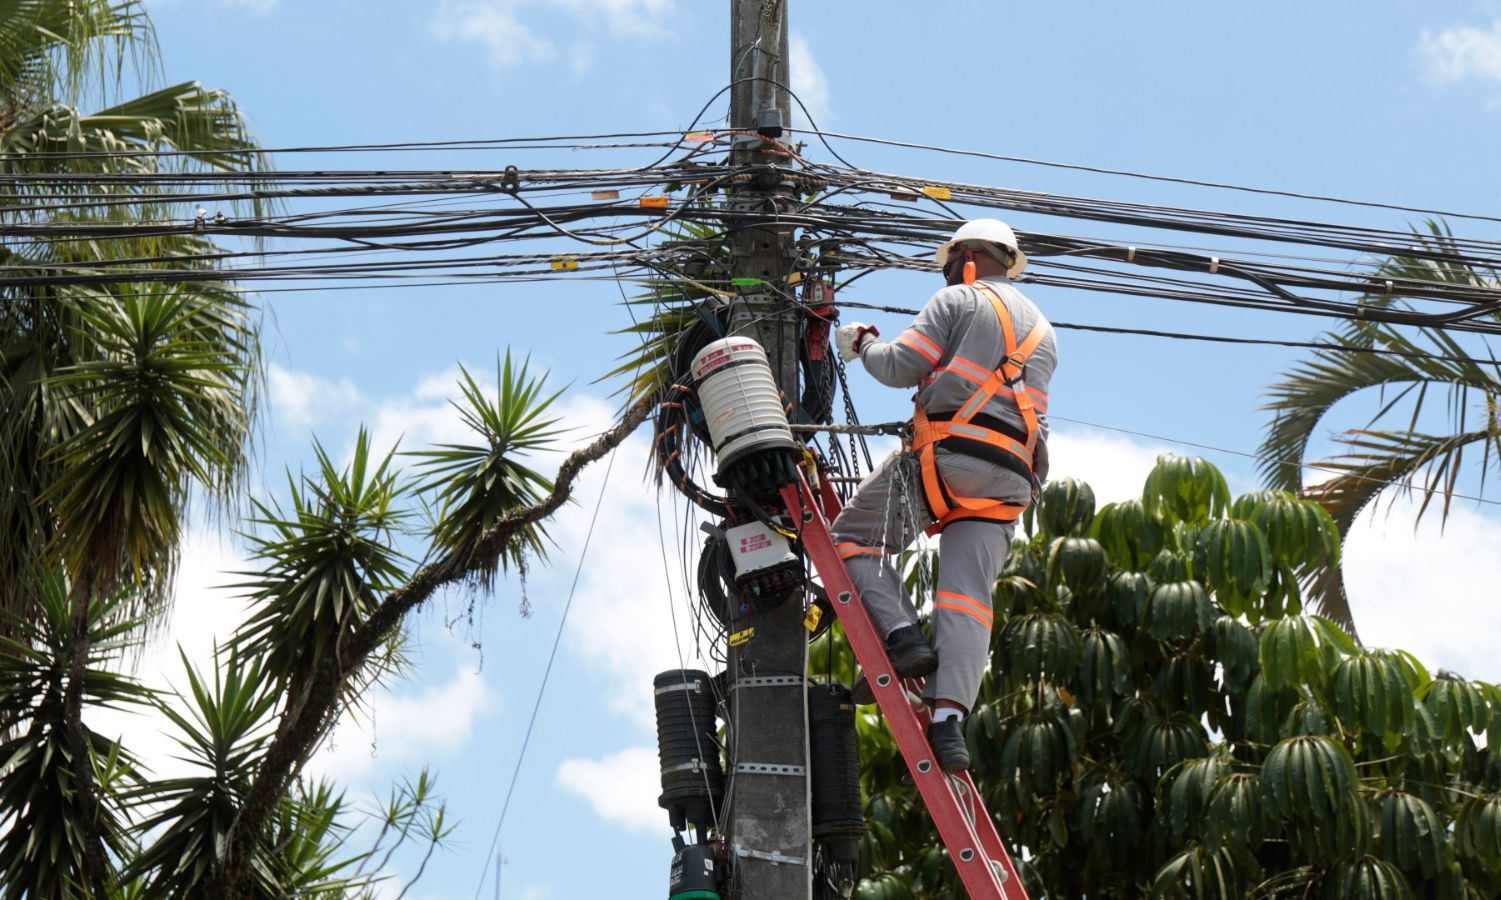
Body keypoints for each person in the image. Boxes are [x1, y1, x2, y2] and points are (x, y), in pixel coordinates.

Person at [831, 218, 1057, 772]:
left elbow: (898, 366)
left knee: (850, 540)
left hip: (946, 459)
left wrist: (862, 343)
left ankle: (904, 635)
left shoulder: (957, 300)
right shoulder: (1045, 333)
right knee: (967, 600)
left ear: (965, 257)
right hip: (1010, 480)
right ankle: (948, 720)